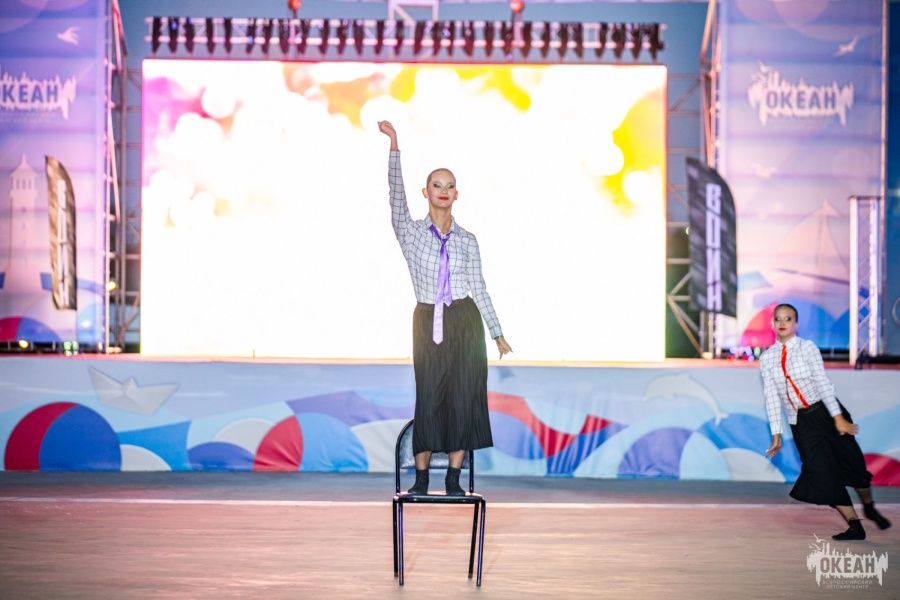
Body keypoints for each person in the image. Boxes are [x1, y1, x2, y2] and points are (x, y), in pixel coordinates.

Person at [378, 120, 512, 496]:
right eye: (436, 185)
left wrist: (497, 332)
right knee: (429, 397)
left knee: (464, 398)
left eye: (449, 185)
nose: (443, 190)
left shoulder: (468, 240)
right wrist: (394, 146)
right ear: (426, 192)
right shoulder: (410, 233)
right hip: (427, 319)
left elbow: (479, 288)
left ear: (457, 194)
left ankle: (453, 479)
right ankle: (421, 479)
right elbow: (395, 195)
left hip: (464, 320)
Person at [761, 303, 891, 540]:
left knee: (854, 467)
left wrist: (838, 418)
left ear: (796, 324)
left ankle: (869, 506)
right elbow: (771, 395)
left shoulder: (807, 348)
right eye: (778, 319)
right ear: (772, 323)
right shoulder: (767, 358)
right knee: (822, 474)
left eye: (788, 319)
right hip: (800, 422)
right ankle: (855, 525)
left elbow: (822, 382)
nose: (782, 323)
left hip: (826, 413)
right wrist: (776, 433)